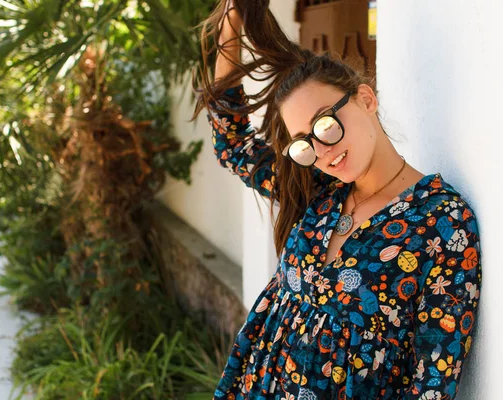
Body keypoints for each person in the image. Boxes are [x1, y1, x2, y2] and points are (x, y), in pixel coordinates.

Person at [191, 1, 482, 399]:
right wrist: (230, 26)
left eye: (326, 124)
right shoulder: (318, 191)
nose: (322, 150)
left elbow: (433, 381)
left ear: (365, 99)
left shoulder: (441, 223)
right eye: (303, 143)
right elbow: (232, 145)